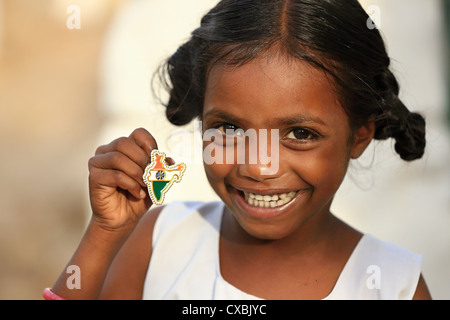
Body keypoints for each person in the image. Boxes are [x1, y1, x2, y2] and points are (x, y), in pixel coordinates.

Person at [45, 0, 432, 300]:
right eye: (229, 128)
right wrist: (105, 233)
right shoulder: (159, 241)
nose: (259, 167)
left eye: (299, 133)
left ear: (360, 134)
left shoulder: (392, 285)